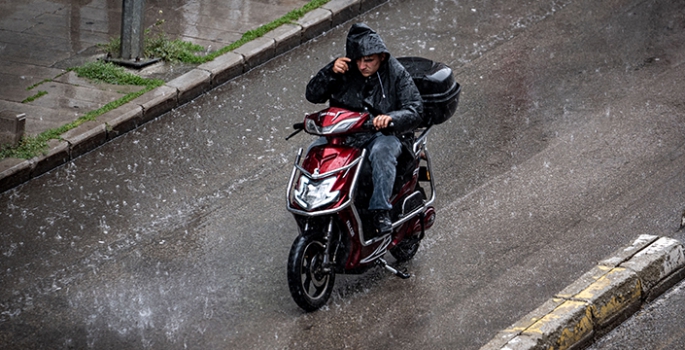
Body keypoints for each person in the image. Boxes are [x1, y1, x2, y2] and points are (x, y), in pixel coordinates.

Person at [305, 23, 424, 237]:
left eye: (368, 60)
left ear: (381, 57)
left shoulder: (396, 72)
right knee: (315, 152)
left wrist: (391, 118)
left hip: (384, 135)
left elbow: (415, 109)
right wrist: (329, 71)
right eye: (358, 60)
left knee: (382, 152)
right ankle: (312, 203)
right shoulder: (343, 70)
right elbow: (312, 95)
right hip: (346, 135)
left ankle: (380, 211)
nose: (362, 66)